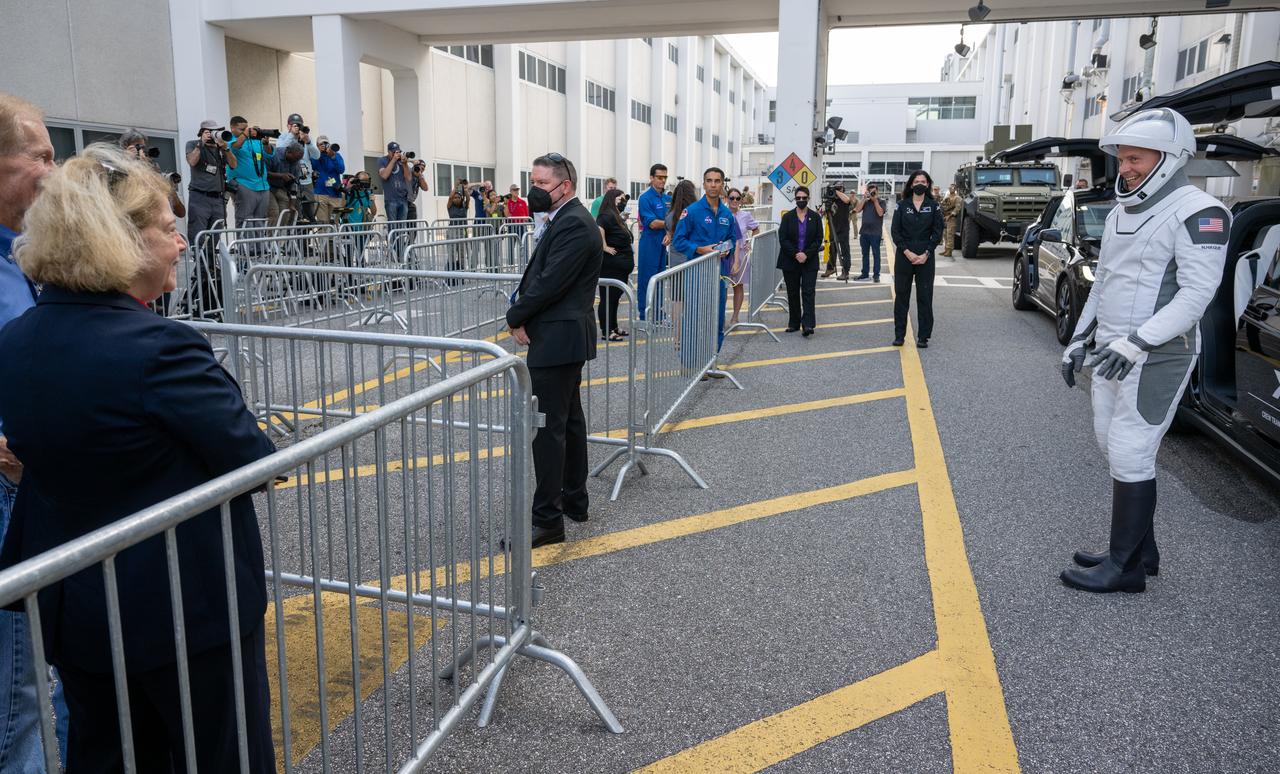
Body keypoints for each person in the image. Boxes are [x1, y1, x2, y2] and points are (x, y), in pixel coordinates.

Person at [0, 143, 277, 770]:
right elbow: (254, 458)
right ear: (118, 239)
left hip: (78, 607)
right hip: (187, 608)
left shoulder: (18, 338)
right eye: (168, 229)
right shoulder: (161, 348)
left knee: (108, 754)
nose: (181, 245)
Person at [1059, 108, 1231, 594]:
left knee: (1133, 452)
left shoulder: (1201, 211)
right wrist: (1076, 340)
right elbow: (1104, 282)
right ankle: (1139, 550)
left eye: (1136, 158)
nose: (1125, 168)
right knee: (1113, 447)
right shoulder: (1120, 213)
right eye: (1122, 158)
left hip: (1159, 353)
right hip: (1114, 351)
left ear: (1171, 158)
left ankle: (1125, 567)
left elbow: (1197, 296)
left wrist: (1137, 343)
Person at [0, 89, 61, 773]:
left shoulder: (28, 252)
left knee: (56, 674)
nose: (54, 168)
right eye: (40, 154)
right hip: (9, 494)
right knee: (18, 695)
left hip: (41, 492)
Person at [505, 153, 602, 547]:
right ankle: (574, 500)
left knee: (547, 430)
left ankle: (547, 520)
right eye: (533, 182)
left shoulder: (576, 224)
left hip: (557, 339)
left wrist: (515, 315)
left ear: (566, 186)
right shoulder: (564, 219)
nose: (535, 191)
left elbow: (549, 283)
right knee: (568, 422)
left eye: (543, 184)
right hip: (562, 338)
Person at [672, 167, 739, 351]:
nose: (713, 185)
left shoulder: (727, 215)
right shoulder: (692, 211)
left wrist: (727, 250)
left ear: (722, 184)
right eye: (709, 181)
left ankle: (711, 360)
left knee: (716, 319)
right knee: (695, 318)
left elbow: (732, 239)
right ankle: (690, 361)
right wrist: (700, 249)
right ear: (704, 184)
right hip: (697, 273)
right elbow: (678, 240)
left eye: (717, 181)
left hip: (719, 274)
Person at [890, 170, 945, 348]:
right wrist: (907, 252)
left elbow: (938, 232)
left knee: (925, 297)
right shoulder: (902, 205)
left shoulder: (934, 206)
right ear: (911, 184)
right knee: (901, 297)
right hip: (904, 256)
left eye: (923, 181)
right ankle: (899, 335)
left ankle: (923, 336)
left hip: (925, 258)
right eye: (916, 181)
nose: (920, 184)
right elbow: (895, 232)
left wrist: (926, 253)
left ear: (927, 184)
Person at [776, 186, 823, 336]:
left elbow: (818, 238)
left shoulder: (815, 217)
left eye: (804, 198)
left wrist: (806, 255)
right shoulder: (788, 217)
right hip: (790, 260)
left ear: (808, 199)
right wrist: (796, 253)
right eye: (798, 198)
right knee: (793, 292)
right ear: (795, 199)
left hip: (809, 261)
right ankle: (794, 323)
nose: (801, 200)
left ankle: (808, 324)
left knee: (809, 292)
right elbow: (783, 238)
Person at [184, 119, 236, 244]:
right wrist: (200, 144)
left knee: (216, 233)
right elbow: (192, 161)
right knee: (198, 234)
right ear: (201, 133)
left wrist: (226, 148)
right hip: (199, 196)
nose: (213, 134)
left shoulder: (220, 149)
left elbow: (234, 165)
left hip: (218, 198)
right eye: (209, 132)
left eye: (216, 132)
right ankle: (201, 263)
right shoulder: (193, 144)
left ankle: (211, 263)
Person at [119, 129, 186, 221]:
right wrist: (128, 161)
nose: (142, 151)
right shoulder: (117, 166)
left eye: (143, 147)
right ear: (125, 148)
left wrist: (168, 186)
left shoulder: (153, 167)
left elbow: (181, 212)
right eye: (138, 147)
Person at [596, 188, 634, 341]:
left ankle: (614, 326)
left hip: (621, 265)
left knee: (614, 298)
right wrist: (604, 246)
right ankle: (607, 331)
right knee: (607, 299)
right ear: (612, 199)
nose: (623, 202)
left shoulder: (616, 215)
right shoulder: (605, 215)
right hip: (610, 265)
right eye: (621, 199)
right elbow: (598, 228)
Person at [636, 164, 670, 319]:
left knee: (660, 279)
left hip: (663, 243)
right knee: (646, 279)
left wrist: (670, 231)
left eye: (665, 177)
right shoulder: (645, 198)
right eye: (659, 177)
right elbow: (652, 223)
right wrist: (671, 224)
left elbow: (672, 220)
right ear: (651, 178)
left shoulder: (668, 198)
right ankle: (644, 314)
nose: (662, 180)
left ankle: (658, 313)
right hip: (649, 243)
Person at [227, 117, 271, 226]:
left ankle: (259, 244)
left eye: (246, 128)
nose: (246, 131)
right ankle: (245, 244)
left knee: (260, 221)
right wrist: (245, 135)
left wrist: (266, 143)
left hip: (262, 185)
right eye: (242, 129)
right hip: (244, 184)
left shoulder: (254, 141)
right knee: (245, 220)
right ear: (232, 128)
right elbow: (235, 147)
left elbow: (269, 154)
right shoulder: (230, 139)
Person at [726, 187, 760, 328]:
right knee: (721, 287)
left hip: (740, 254)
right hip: (724, 254)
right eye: (732, 198)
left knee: (737, 286)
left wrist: (751, 242)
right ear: (727, 199)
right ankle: (719, 317)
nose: (734, 201)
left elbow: (756, 228)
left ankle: (735, 317)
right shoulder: (722, 213)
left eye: (737, 198)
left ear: (741, 200)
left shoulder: (745, 215)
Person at [854, 183, 886, 282]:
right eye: (870, 191)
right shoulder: (866, 202)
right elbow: (857, 210)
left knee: (876, 255)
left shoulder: (881, 201)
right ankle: (864, 274)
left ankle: (876, 275)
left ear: (877, 191)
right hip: (864, 232)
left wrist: (875, 200)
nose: (872, 193)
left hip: (875, 233)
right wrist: (864, 198)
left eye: (874, 191)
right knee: (865, 254)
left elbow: (880, 213)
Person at [266, 143, 305, 224]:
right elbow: (263, 173)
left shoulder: (296, 163)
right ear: (288, 152)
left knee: (285, 212)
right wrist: (281, 176)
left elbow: (294, 185)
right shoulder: (274, 154)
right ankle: (272, 236)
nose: (296, 161)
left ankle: (281, 234)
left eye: (298, 159)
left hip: (281, 188)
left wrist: (292, 204)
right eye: (295, 158)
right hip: (267, 187)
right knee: (274, 213)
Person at [821, 184, 853, 280]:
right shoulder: (831, 200)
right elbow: (823, 212)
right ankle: (830, 268)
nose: (836, 191)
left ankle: (845, 271)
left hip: (843, 229)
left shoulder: (844, 200)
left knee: (845, 251)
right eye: (836, 188)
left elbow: (847, 200)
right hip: (833, 227)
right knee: (832, 250)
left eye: (839, 188)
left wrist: (836, 191)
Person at [312, 136, 345, 224]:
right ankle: (323, 238)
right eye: (321, 144)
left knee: (334, 223)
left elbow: (341, 169)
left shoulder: (336, 155)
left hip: (335, 193)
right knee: (322, 223)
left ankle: (333, 238)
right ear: (317, 145)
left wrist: (333, 157)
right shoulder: (316, 155)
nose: (324, 145)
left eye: (326, 143)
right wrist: (319, 153)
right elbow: (313, 166)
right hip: (320, 193)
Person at [378, 141, 414, 222]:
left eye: (398, 152)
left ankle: (401, 235)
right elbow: (384, 175)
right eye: (394, 152)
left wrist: (405, 164)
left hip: (403, 198)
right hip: (391, 199)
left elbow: (408, 178)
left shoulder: (401, 161)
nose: (396, 154)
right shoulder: (382, 160)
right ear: (389, 152)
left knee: (402, 226)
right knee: (393, 225)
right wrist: (393, 160)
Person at [940, 183, 962, 257]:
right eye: (950, 188)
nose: (950, 189)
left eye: (952, 188)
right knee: (945, 234)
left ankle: (949, 251)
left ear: (955, 189)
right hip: (945, 217)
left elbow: (957, 208)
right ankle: (946, 249)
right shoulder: (947, 197)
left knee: (950, 234)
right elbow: (942, 205)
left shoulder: (958, 198)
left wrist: (950, 215)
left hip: (952, 218)